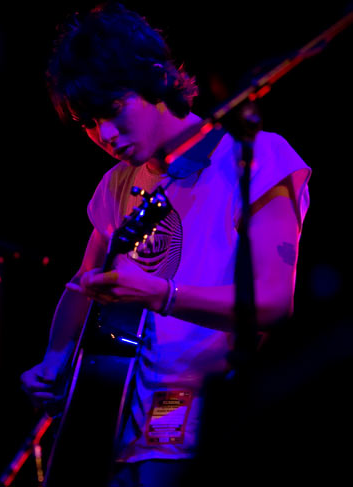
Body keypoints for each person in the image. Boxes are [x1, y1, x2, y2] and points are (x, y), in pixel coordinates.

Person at [20, 3, 311, 486]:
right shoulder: (118, 184)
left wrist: (162, 294)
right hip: (111, 421)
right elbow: (82, 283)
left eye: (111, 112)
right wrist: (54, 360)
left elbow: (275, 302)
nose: (104, 136)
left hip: (202, 415)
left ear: (155, 80)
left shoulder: (256, 156)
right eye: (88, 124)